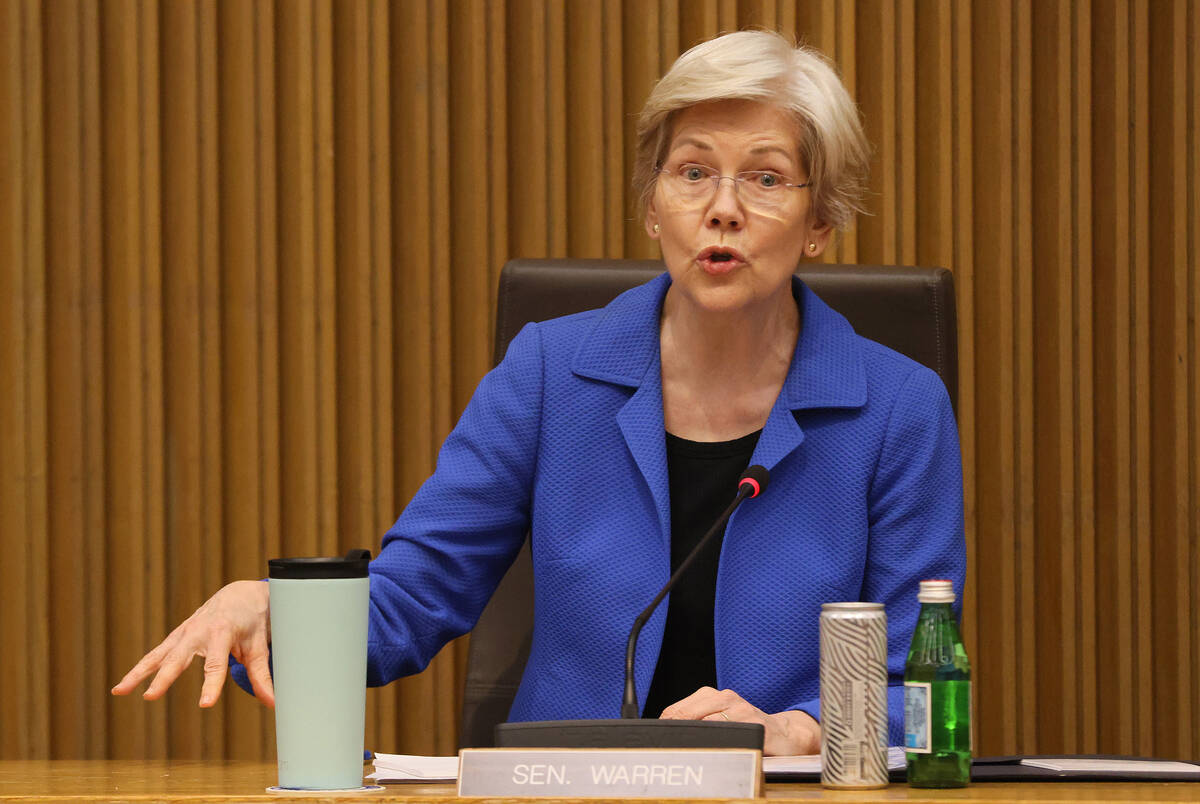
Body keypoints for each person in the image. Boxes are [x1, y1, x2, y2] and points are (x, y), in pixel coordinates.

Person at [113, 30, 965, 756]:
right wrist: (277, 610)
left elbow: (914, 688)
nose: (723, 209)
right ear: (651, 207)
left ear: (821, 224)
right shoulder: (553, 373)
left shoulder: (896, 409)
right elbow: (413, 599)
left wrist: (795, 730)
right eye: (692, 173)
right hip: (567, 793)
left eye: (768, 179)